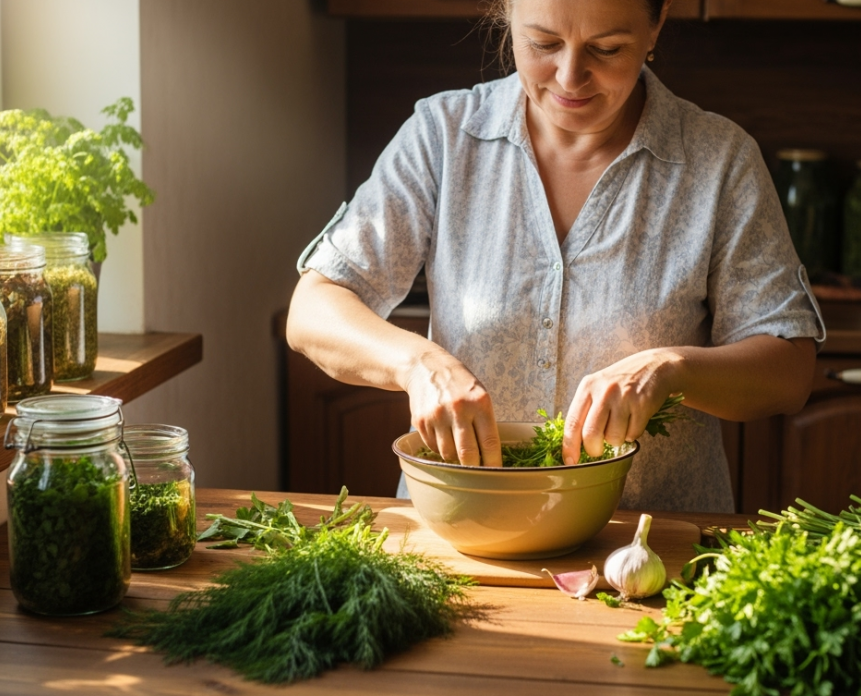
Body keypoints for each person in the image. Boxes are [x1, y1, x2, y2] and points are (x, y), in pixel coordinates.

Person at [287, 0, 825, 513]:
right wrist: (418, 364)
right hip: (458, 532)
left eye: (607, 49)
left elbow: (789, 370)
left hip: (650, 544)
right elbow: (314, 309)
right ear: (508, 17)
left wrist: (672, 369)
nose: (570, 77)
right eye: (543, 42)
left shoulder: (719, 161)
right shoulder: (443, 137)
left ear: (657, 24)